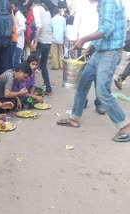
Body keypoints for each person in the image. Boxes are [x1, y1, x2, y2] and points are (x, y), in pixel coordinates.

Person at [57, 0, 130, 143]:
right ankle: (74, 118)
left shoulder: (108, 1)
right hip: (100, 50)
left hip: (110, 52)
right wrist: (91, 45)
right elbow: (103, 29)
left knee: (102, 91)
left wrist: (84, 39)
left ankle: (126, 126)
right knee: (83, 83)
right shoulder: (102, 3)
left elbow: (107, 29)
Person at [73, 0, 105, 114]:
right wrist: (74, 39)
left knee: (98, 75)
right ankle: (82, 101)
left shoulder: (103, 5)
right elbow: (76, 23)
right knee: (82, 75)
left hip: (98, 45)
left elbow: (103, 26)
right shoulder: (82, 6)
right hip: (82, 45)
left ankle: (99, 103)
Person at [30, 0, 53, 96]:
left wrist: (35, 43)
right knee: (43, 65)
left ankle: (28, 87)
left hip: (41, 42)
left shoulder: (36, 8)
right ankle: (48, 89)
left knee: (31, 63)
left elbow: (39, 26)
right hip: (48, 41)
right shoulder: (46, 10)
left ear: (32, 4)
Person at [11, 1, 27, 69]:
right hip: (17, 41)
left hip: (19, 42)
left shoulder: (19, 16)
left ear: (16, 7)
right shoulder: (16, 15)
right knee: (16, 60)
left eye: (13, 7)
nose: (12, 8)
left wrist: (15, 33)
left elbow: (23, 27)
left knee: (17, 60)